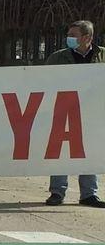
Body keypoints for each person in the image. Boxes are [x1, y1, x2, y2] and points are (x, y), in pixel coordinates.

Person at [44, 20, 105, 207]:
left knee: (89, 151)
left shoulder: (102, 55)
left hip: (93, 112)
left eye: (73, 36)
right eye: (69, 35)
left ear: (87, 38)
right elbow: (42, 82)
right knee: (60, 150)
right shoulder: (57, 58)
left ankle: (89, 194)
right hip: (63, 109)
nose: (69, 39)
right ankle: (57, 192)